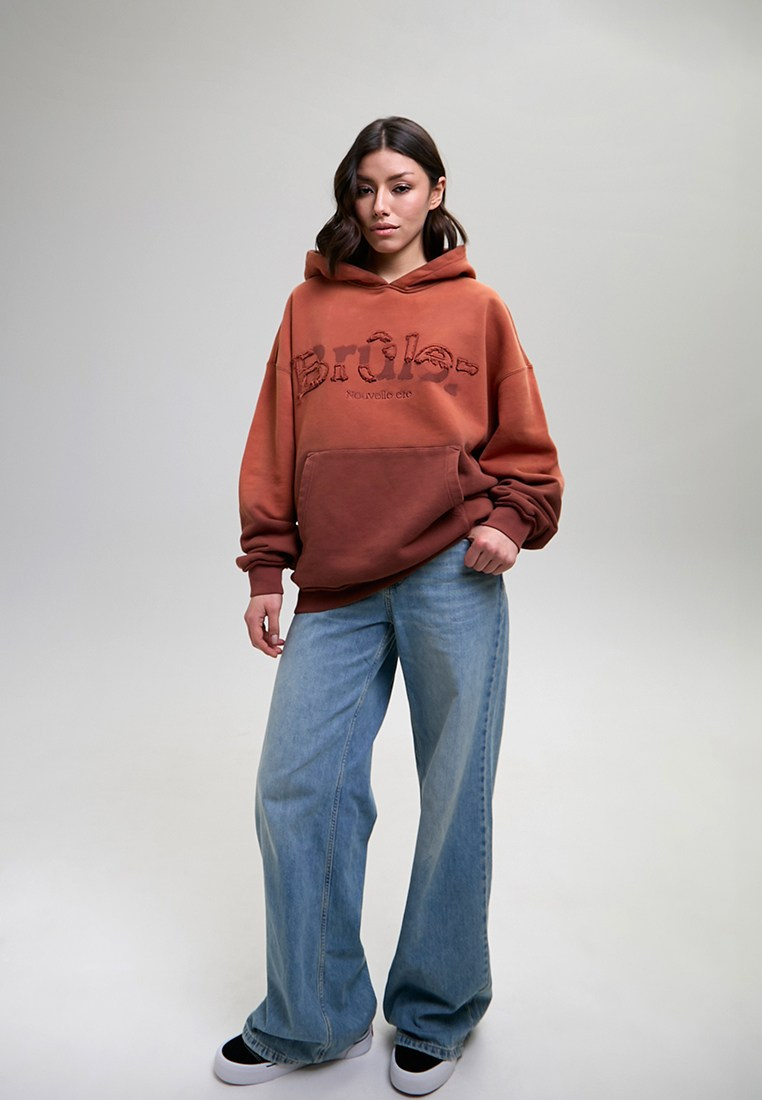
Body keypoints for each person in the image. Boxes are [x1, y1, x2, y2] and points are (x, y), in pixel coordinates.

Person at [214, 117, 563, 1095]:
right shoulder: (308, 307)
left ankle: (436, 1011)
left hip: (454, 571)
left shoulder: (479, 308)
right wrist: (266, 568)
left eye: (401, 185)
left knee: (454, 794)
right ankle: (311, 1017)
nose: (380, 205)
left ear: (435, 192)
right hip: (335, 581)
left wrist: (511, 520)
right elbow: (274, 442)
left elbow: (528, 450)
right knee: (297, 790)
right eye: (364, 187)